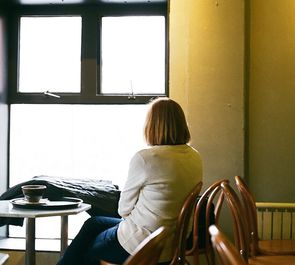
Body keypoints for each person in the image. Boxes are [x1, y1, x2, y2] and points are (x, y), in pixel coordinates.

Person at [57, 97, 203, 265]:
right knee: (93, 223)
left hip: (142, 244)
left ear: (152, 125)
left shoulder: (146, 158)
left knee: (88, 248)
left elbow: (123, 209)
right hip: (172, 242)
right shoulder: (194, 156)